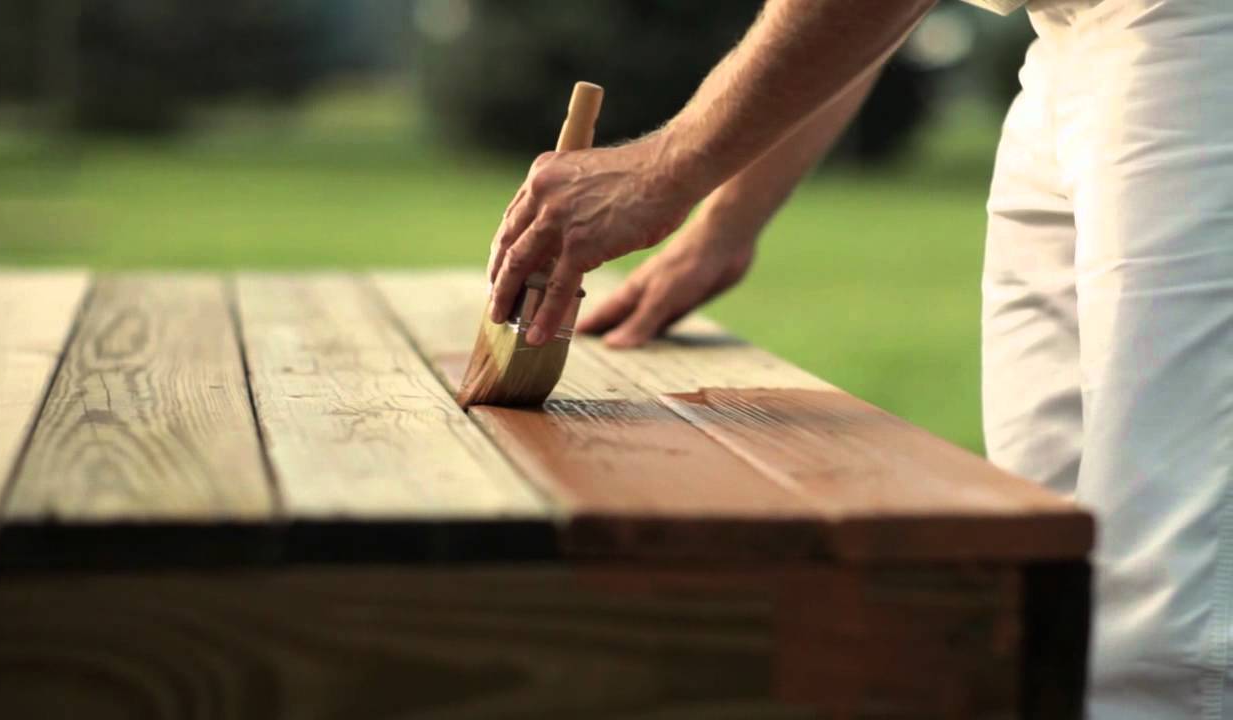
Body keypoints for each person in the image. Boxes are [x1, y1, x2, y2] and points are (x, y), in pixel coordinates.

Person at [486, 0, 1233, 717]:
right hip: (1066, 42)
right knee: (1044, 567)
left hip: (1201, 45)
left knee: (1171, 606)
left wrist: (663, 171)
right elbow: (852, 16)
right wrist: (723, 223)